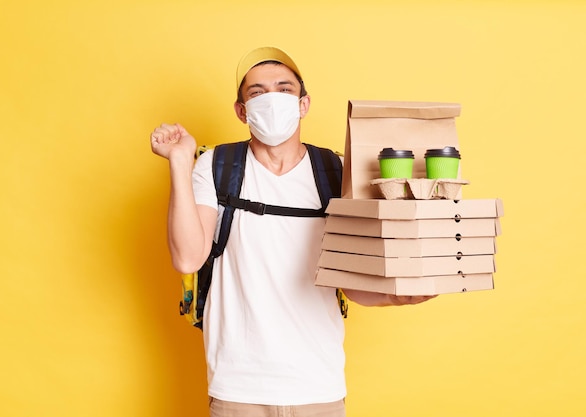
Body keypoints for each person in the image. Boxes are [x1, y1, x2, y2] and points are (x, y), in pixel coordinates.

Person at [150, 46, 435, 417]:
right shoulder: (214, 166)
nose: (271, 99)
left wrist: (399, 297)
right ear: (241, 111)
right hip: (239, 386)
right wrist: (179, 161)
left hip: (318, 384)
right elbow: (188, 256)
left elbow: (351, 283)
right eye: (257, 92)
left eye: (284, 90)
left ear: (303, 104)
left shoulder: (337, 172)